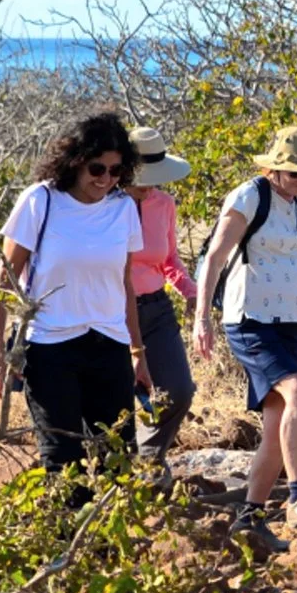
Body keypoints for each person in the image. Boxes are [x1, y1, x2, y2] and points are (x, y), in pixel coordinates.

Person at [189, 125, 297, 539]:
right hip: (251, 319)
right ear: (275, 168)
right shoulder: (250, 196)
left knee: (278, 420)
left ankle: (250, 517)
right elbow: (215, 258)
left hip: (291, 320)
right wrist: (201, 318)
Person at [0, 112, 149, 474]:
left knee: (118, 458)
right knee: (63, 463)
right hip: (50, 346)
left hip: (109, 343)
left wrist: (138, 351)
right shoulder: (40, 200)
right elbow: (4, 281)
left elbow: (125, 283)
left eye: (116, 170)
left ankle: (110, 516)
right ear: (76, 161)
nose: (106, 179)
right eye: (97, 168)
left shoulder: (124, 207)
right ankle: (65, 516)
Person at [121, 126, 196, 465]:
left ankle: (148, 458)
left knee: (178, 391)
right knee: (118, 396)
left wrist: (191, 291)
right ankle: (116, 467)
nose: (148, 185)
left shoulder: (164, 204)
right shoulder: (106, 204)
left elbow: (169, 259)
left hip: (156, 307)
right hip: (113, 311)